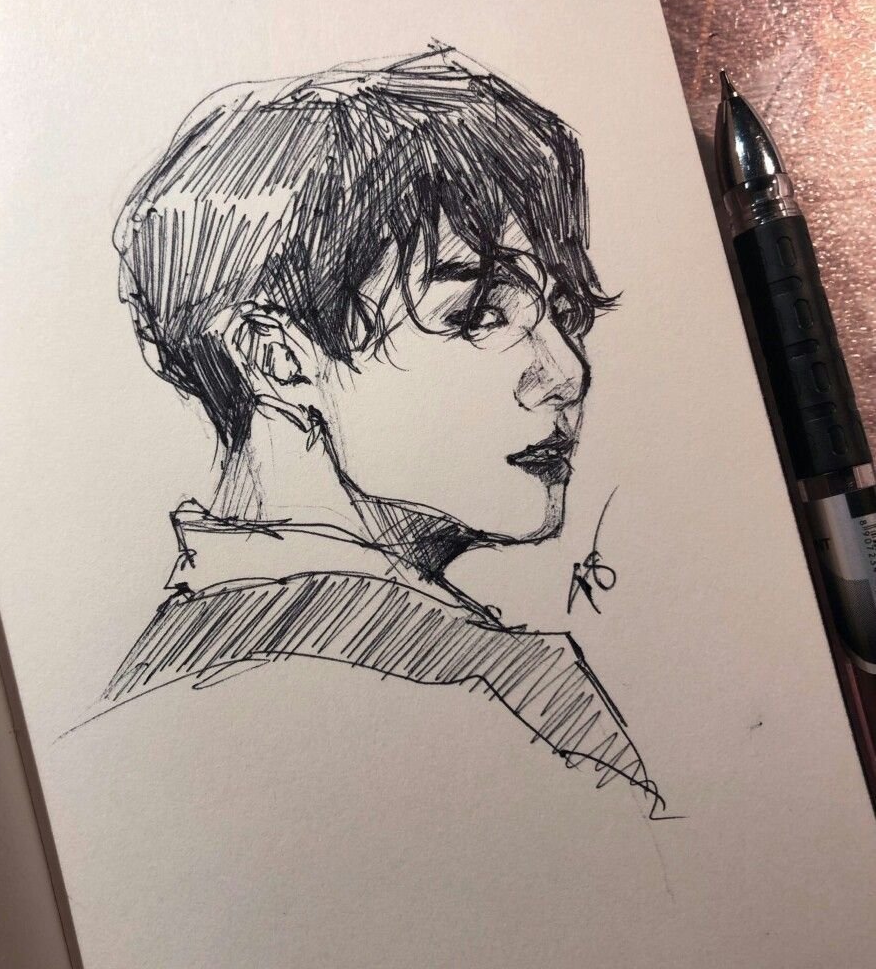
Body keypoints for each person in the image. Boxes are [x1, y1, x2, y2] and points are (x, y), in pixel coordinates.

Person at [102, 46, 662, 815]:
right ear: (274, 357)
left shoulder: (202, 660)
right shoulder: (418, 689)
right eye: (478, 316)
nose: (565, 373)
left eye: (561, 313)